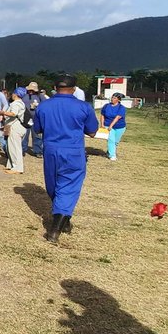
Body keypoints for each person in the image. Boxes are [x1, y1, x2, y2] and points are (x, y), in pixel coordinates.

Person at [31, 75, 99, 244]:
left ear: (55, 87)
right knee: (69, 187)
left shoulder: (43, 106)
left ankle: (65, 221)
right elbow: (92, 132)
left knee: (53, 186)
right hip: (73, 151)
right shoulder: (83, 107)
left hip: (51, 150)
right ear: (74, 89)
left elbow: (37, 129)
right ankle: (55, 229)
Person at [0, 87, 28, 175]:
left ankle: (17, 168)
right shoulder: (21, 103)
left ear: (15, 94)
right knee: (11, 147)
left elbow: (13, 114)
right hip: (16, 127)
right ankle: (12, 165)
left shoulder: (15, 104)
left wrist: (2, 112)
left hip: (15, 128)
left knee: (15, 148)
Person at [99, 93, 127, 161]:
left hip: (119, 126)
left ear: (118, 100)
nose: (112, 99)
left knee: (115, 142)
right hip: (107, 125)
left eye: (114, 98)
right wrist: (102, 124)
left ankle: (109, 152)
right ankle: (112, 155)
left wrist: (111, 125)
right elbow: (102, 115)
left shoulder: (121, 108)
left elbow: (117, 117)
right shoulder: (106, 106)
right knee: (111, 140)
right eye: (112, 97)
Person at [25, 82, 46, 157]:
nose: (31, 91)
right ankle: (23, 149)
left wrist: (38, 106)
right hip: (25, 118)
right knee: (24, 135)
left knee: (36, 135)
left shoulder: (40, 96)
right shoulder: (24, 95)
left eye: (32, 90)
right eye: (30, 90)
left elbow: (45, 105)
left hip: (36, 118)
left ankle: (38, 151)